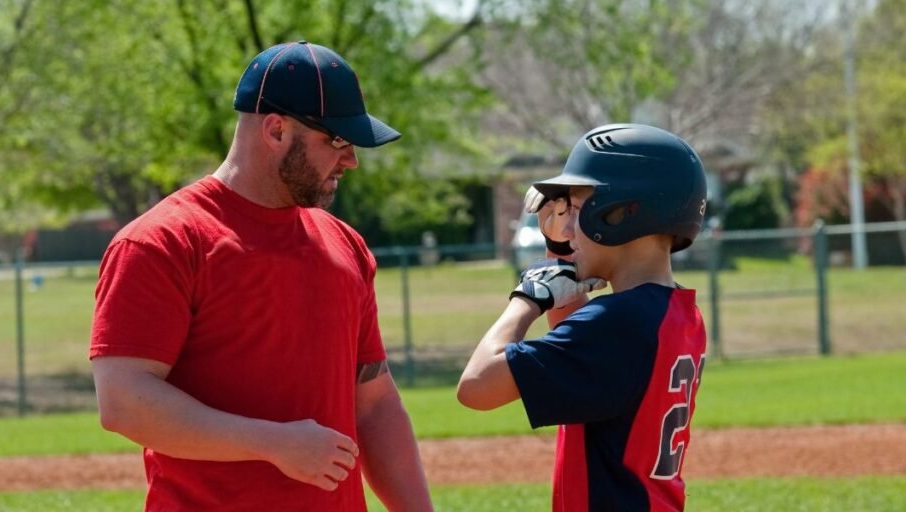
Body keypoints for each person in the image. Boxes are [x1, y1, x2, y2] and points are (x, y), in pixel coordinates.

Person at [90, 41, 432, 511]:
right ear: (275, 130)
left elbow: (373, 405)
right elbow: (124, 400)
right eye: (336, 140)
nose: (351, 159)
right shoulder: (162, 242)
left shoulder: (344, 244)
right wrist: (272, 442)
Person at [458, 123, 709, 511]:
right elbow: (573, 362)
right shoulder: (676, 312)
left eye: (577, 209)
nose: (569, 225)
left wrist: (526, 298)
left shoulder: (617, 320)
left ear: (622, 212)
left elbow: (476, 387)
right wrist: (560, 252)